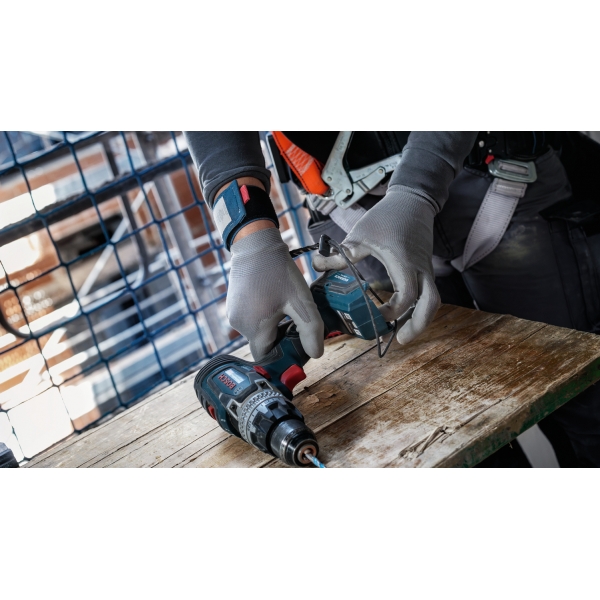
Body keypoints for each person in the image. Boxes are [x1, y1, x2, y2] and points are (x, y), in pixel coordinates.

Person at [184, 131, 600, 467]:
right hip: (352, 214)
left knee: (586, 403)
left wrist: (417, 189)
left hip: (498, 177)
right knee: (451, 427)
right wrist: (249, 235)